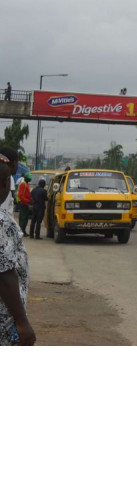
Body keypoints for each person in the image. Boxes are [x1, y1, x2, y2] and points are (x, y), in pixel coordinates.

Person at [0, 147, 36, 346]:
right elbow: (4, 274)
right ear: (6, 184)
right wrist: (22, 322)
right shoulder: (1, 222)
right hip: (4, 321)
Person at [16, 173, 32, 237]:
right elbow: (20, 195)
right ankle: (21, 231)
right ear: (26, 178)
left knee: (24, 218)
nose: (30, 179)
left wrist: (30, 199)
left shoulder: (26, 184)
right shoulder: (23, 184)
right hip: (23, 203)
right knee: (23, 218)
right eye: (29, 178)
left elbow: (27, 194)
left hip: (25, 203)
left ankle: (23, 230)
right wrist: (27, 201)